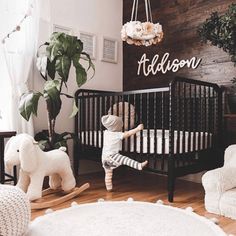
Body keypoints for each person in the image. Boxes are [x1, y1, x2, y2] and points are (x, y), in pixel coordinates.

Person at [101, 114, 148, 191]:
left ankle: (109, 187)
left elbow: (121, 132)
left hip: (104, 157)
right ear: (115, 127)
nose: (121, 127)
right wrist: (137, 129)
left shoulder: (106, 132)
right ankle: (139, 165)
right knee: (125, 159)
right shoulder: (117, 135)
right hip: (111, 156)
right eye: (120, 125)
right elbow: (128, 134)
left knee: (108, 173)